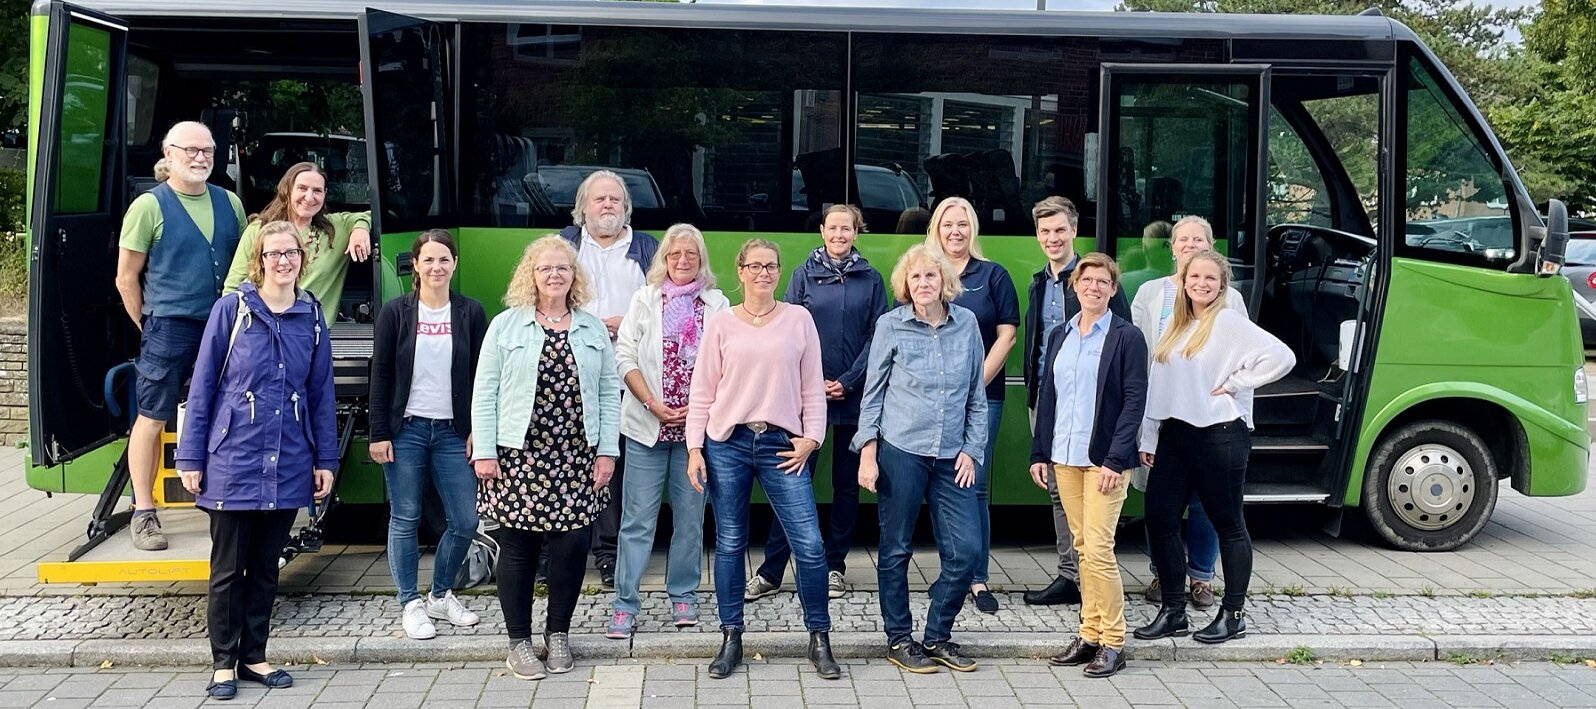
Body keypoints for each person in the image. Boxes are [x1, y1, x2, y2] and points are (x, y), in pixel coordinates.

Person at [174, 220, 337, 700]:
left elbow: (320, 392)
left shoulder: (311, 314)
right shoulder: (233, 310)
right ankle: (223, 663)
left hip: (287, 460)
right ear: (259, 261)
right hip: (232, 459)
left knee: (267, 568)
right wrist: (191, 456)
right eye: (273, 254)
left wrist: (324, 457)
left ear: (301, 261)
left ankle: (255, 656)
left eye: (290, 254)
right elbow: (202, 385)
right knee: (227, 568)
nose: (282, 261)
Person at [686, 239, 838, 681]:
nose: (763, 273)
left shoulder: (798, 319)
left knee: (809, 545)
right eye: (754, 266)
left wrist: (812, 438)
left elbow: (813, 386)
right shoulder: (721, 324)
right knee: (731, 543)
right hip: (727, 443)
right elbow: (703, 392)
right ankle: (731, 635)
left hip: (781, 445)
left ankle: (819, 637)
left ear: (778, 272)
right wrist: (695, 447)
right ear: (740, 271)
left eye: (770, 266)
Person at [472, 236, 620, 680]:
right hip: (517, 455)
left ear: (574, 275)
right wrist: (485, 451)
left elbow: (610, 392)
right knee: (517, 549)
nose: (554, 275)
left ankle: (558, 634)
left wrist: (607, 450)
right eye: (545, 268)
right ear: (530, 275)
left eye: (563, 268)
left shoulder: (591, 328)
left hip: (578, 456)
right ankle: (518, 641)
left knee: (572, 548)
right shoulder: (506, 326)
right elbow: (485, 391)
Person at [1133, 251, 1294, 645]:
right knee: (1159, 519)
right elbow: (1160, 385)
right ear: (1183, 281)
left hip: (1218, 435)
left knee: (1228, 523)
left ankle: (1233, 614)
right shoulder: (1178, 323)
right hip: (1174, 435)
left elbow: (1282, 357)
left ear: (1222, 285)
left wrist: (1236, 383)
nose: (1202, 283)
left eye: (1210, 278)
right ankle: (1173, 610)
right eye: (1195, 277)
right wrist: (1150, 437)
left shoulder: (1226, 322)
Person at [114, 121, 246, 552]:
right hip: (169, 326)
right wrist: (148, 325)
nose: (200, 157)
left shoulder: (230, 203)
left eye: (207, 150)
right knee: (152, 417)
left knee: (226, 412)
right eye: (190, 150)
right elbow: (126, 279)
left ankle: (222, 500)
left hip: (225, 326)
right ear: (168, 154)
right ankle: (144, 512)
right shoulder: (148, 207)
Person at [854, 244, 986, 675]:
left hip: (953, 456)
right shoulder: (890, 325)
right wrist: (867, 454)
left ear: (944, 281)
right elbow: (872, 394)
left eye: (930, 276)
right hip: (902, 450)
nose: (923, 284)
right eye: (915, 278)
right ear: (905, 285)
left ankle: (938, 636)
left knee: (966, 551)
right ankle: (899, 639)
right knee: (895, 549)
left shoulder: (966, 324)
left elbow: (976, 397)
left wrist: (972, 449)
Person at [747, 204, 887, 603]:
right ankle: (772, 570)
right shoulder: (802, 276)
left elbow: (877, 337)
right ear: (822, 231)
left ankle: (834, 568)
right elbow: (786, 331)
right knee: (793, 482)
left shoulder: (871, 279)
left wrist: (847, 381)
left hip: (852, 399)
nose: (840, 234)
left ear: (856, 233)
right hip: (805, 402)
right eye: (834, 228)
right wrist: (813, 384)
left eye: (848, 228)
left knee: (846, 487)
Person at [605, 224, 729, 639]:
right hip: (646, 427)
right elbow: (624, 356)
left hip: (696, 432)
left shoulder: (717, 303)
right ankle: (625, 603)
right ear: (663, 259)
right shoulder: (644, 299)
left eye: (691, 254)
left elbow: (725, 363)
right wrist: (651, 404)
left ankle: (684, 595)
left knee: (690, 521)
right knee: (636, 521)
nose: (682, 261)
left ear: (701, 259)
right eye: (675, 254)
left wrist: (697, 411)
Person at [1028, 253, 1147, 679]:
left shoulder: (1126, 337)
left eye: (1103, 281)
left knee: (1098, 549)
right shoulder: (1061, 335)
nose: (1093, 287)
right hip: (1064, 456)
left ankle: (1114, 641)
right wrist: (1039, 452)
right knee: (1081, 550)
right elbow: (1049, 397)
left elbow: (1134, 401)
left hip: (1104, 462)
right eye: (1086, 280)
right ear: (1074, 287)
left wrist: (1117, 458)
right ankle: (1090, 634)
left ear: (1113, 290)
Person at [368, 229, 489, 640]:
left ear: (454, 265)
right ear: (415, 266)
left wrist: (479, 430)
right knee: (405, 517)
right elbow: (381, 374)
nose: (437, 267)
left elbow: (482, 377)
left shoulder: (471, 312)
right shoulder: (395, 312)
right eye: (429, 260)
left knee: (465, 519)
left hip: (454, 432)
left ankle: (440, 594)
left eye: (444, 259)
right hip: (408, 430)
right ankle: (409, 602)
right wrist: (378, 432)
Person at [1128, 215, 1246, 610]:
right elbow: (1138, 353)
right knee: (1160, 503)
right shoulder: (1149, 293)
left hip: (1210, 417)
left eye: (1200, 239)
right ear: (1173, 248)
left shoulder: (1229, 298)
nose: (1190, 244)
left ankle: (1201, 578)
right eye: (1183, 239)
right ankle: (1163, 576)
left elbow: (1248, 356)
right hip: (1161, 414)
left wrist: (1232, 394)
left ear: (1211, 247)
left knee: (1204, 503)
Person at [1020, 197, 1131, 608]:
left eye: (1060, 230)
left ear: (1074, 231)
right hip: (1049, 401)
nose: (1053, 238)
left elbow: (1122, 348)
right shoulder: (1038, 281)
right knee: (1056, 489)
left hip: (1092, 406)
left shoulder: (1094, 280)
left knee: (1092, 498)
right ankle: (1071, 574)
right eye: (1045, 232)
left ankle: (1091, 575)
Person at [560, 170, 659, 589]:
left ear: (626, 208)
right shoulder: (565, 244)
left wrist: (628, 323)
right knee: (567, 460)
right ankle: (558, 549)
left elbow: (663, 305)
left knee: (611, 466)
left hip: (625, 376)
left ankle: (608, 552)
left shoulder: (646, 248)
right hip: (571, 373)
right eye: (599, 200)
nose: (607, 206)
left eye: (615, 200)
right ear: (583, 207)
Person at [925, 196, 1019, 614]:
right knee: (939, 484)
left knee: (974, 486)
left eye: (963, 224)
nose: (956, 232)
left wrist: (973, 386)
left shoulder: (992, 275)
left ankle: (977, 579)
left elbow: (1007, 336)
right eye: (948, 224)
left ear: (973, 229)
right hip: (930, 400)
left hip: (982, 396)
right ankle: (951, 574)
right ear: (937, 229)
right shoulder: (925, 273)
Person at [224, 162, 372, 317]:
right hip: (262, 329)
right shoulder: (259, 229)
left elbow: (376, 214)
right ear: (287, 190)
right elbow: (233, 285)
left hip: (312, 332)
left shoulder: (335, 228)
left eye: (317, 190)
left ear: (325, 194)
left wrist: (360, 228)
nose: (309, 197)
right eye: (302, 188)